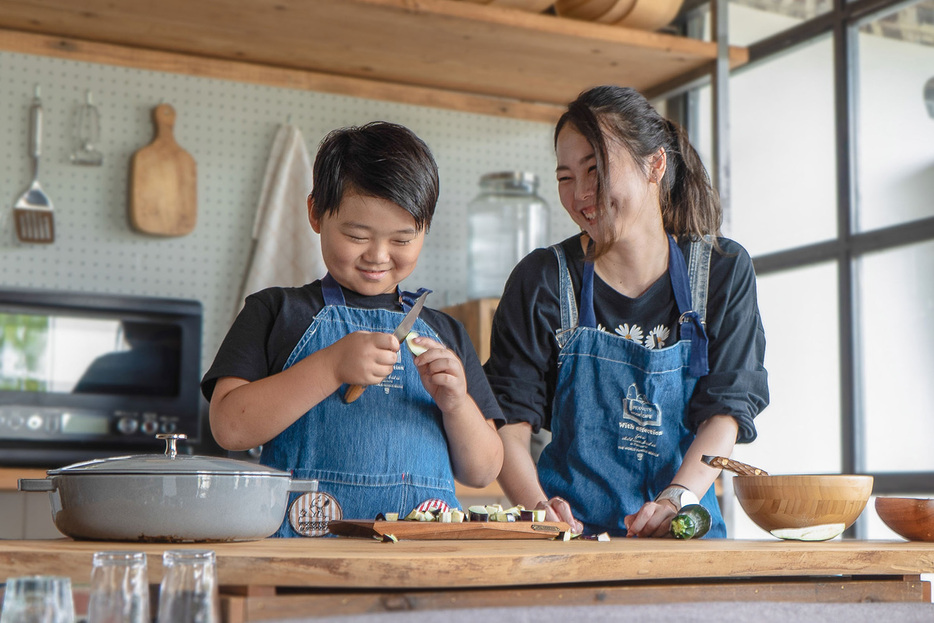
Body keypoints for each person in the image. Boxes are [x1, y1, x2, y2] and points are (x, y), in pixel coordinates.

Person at [484, 86, 769, 538]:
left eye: (595, 169)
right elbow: (507, 420)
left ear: (656, 164)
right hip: (568, 543)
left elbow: (727, 411)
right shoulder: (543, 280)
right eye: (565, 177)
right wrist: (537, 509)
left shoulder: (721, 271)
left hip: (684, 537)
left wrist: (675, 499)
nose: (580, 194)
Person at [202, 121, 504, 537]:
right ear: (315, 213)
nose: (378, 256)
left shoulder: (445, 332)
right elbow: (229, 428)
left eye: (402, 240)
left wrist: (457, 405)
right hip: (305, 556)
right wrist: (330, 367)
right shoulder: (275, 311)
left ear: (425, 229)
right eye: (356, 234)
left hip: (421, 560)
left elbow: (484, 469)